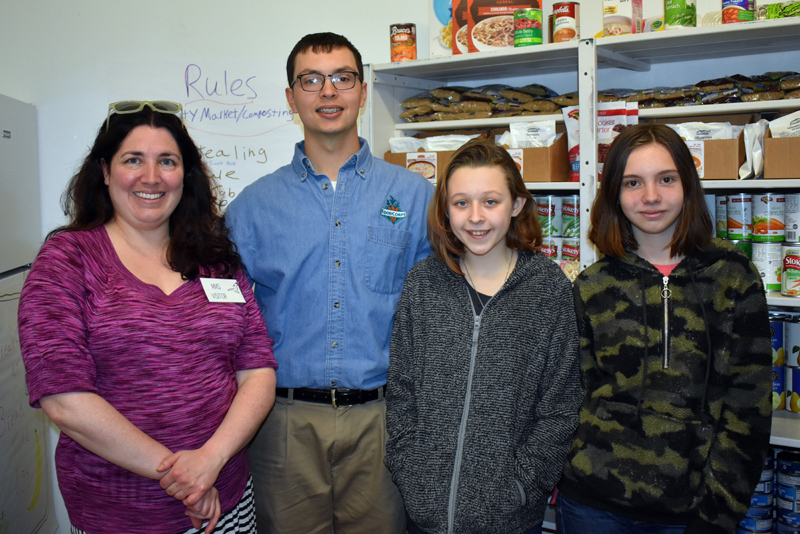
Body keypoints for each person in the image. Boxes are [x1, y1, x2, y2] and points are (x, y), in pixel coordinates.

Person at [17, 101, 278, 534]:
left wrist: (209, 462)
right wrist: (183, 478)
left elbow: (258, 372)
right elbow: (64, 400)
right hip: (120, 513)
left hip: (226, 495)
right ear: (105, 170)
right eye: (133, 160)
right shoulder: (66, 261)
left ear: (185, 175)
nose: (152, 177)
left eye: (167, 162)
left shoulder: (215, 259)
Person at [225, 33, 434, 534]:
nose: (328, 92)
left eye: (342, 78)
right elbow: (225, 324)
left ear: (362, 91)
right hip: (283, 425)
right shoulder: (251, 209)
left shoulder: (414, 195)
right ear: (291, 96)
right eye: (311, 80)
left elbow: (436, 309)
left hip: (383, 420)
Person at [557, 123, 772, 534]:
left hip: (693, 511)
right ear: (614, 195)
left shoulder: (732, 275)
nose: (651, 196)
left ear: (688, 185)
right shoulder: (592, 284)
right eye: (632, 182)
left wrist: (719, 513)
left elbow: (750, 405)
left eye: (666, 179)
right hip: (592, 505)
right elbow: (572, 396)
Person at [384, 138, 582, 534]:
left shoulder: (547, 289)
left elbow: (560, 406)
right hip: (424, 515)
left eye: (490, 201)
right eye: (461, 203)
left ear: (517, 205)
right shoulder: (423, 283)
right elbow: (402, 389)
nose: (475, 217)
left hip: (509, 517)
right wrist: (411, 472)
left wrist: (521, 488)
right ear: (445, 209)